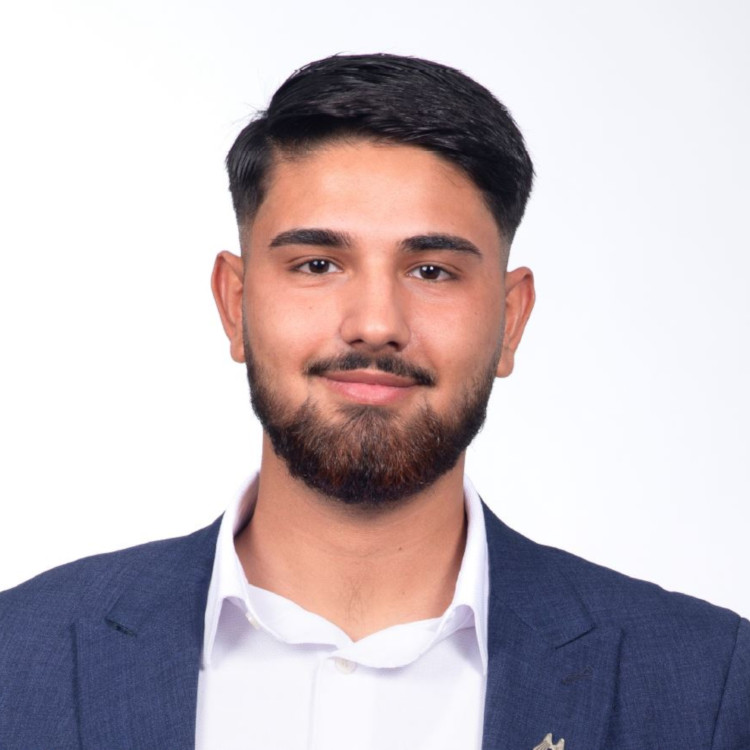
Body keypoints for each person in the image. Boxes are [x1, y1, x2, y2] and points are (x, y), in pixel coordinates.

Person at [0, 53, 747, 750]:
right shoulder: (19, 657)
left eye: (432, 271)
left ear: (511, 320)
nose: (376, 323)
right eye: (317, 264)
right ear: (234, 304)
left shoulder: (707, 686)